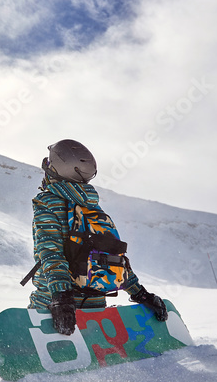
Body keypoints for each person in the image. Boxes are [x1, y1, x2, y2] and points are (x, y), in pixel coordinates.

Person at [24, 139, 168, 336]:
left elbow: (51, 253)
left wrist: (61, 298)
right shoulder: (92, 207)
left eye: (50, 162)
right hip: (95, 307)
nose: (47, 166)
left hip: (54, 307)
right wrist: (140, 293)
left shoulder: (47, 203)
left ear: (57, 168)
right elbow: (112, 256)